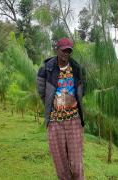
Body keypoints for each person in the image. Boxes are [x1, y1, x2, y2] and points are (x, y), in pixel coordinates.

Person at [37, 37, 86, 180]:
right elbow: (41, 91)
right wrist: (52, 105)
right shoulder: (47, 68)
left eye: (69, 51)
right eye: (63, 50)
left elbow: (83, 89)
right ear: (57, 50)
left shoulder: (77, 68)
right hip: (55, 122)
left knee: (77, 167)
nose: (66, 54)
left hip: (74, 122)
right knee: (62, 168)